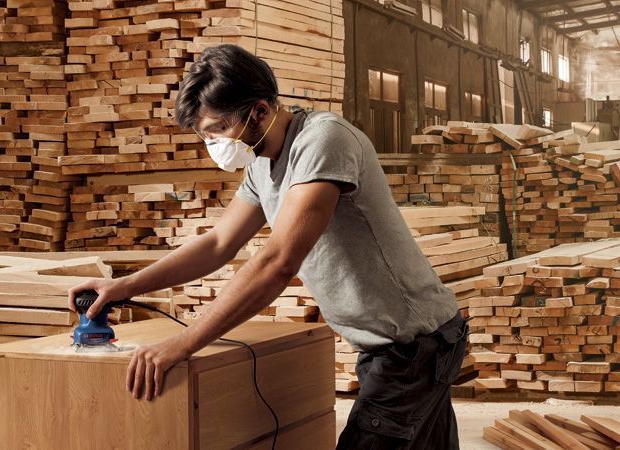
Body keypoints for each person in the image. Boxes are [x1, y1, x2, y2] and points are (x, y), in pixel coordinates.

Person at [68, 44, 467, 449]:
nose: (214, 145)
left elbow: (278, 261)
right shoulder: (260, 162)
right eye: (206, 135)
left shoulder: (323, 140)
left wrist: (184, 343)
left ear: (259, 111)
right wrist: (125, 286)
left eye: (219, 131)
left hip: (415, 346)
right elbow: (218, 244)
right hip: (398, 344)